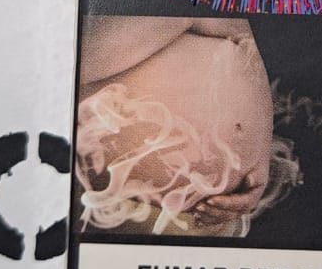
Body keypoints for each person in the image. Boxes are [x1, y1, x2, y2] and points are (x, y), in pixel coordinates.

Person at [75, 15, 297, 239]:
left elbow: (240, 35)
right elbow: (80, 56)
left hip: (210, 214)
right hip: (120, 207)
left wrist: (259, 144)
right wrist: (187, 14)